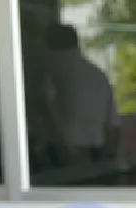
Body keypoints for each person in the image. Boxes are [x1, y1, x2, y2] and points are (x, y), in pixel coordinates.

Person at [42, 23, 119, 165]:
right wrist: (110, 153)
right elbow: (112, 123)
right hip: (97, 146)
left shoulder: (49, 68)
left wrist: (70, 149)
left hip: (65, 149)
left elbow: (50, 107)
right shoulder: (99, 75)